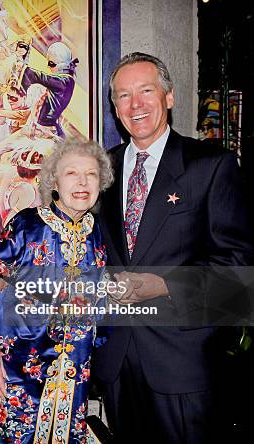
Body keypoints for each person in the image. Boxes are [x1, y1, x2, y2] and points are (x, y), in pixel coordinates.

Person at [93, 52, 252, 443]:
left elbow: (238, 278)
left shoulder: (211, 166)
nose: (136, 105)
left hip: (184, 363)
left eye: (146, 91)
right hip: (116, 362)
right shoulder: (101, 172)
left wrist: (163, 285)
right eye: (124, 96)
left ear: (169, 97)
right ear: (115, 108)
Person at [0, 138, 113, 443]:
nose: (82, 182)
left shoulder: (97, 231)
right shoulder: (28, 225)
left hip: (73, 375)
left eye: (91, 174)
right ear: (54, 181)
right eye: (72, 173)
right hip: (15, 372)